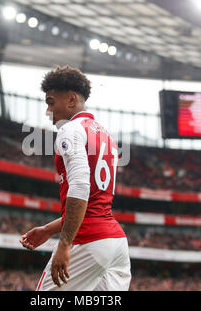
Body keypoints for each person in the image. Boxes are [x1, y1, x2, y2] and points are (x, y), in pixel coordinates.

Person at [20, 66, 131, 291]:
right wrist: (48, 230)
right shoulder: (105, 135)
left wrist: (65, 243)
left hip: (89, 239)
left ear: (71, 100)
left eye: (51, 102)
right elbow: (91, 203)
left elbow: (80, 187)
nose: (48, 111)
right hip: (116, 243)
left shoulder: (70, 130)